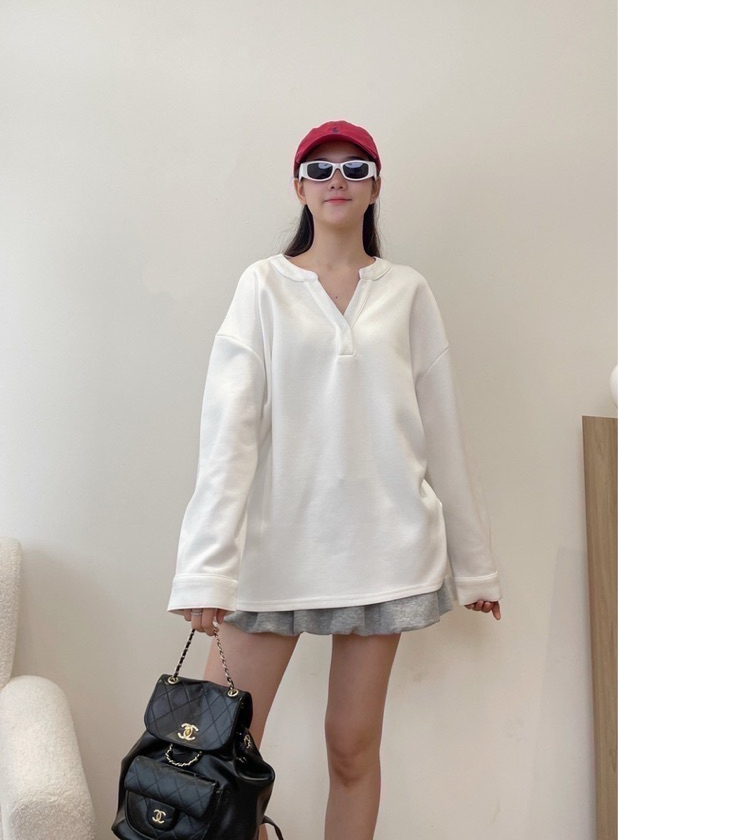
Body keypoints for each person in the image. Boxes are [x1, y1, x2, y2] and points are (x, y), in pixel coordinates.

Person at [167, 119, 502, 840]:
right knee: (219, 755)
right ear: (299, 188)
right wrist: (205, 570)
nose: (337, 181)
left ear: (376, 185)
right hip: (275, 552)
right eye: (320, 169)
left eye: (354, 168)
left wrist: (475, 567)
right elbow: (227, 435)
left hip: (385, 552)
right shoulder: (263, 286)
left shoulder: (407, 292)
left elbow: (443, 430)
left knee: (352, 749)